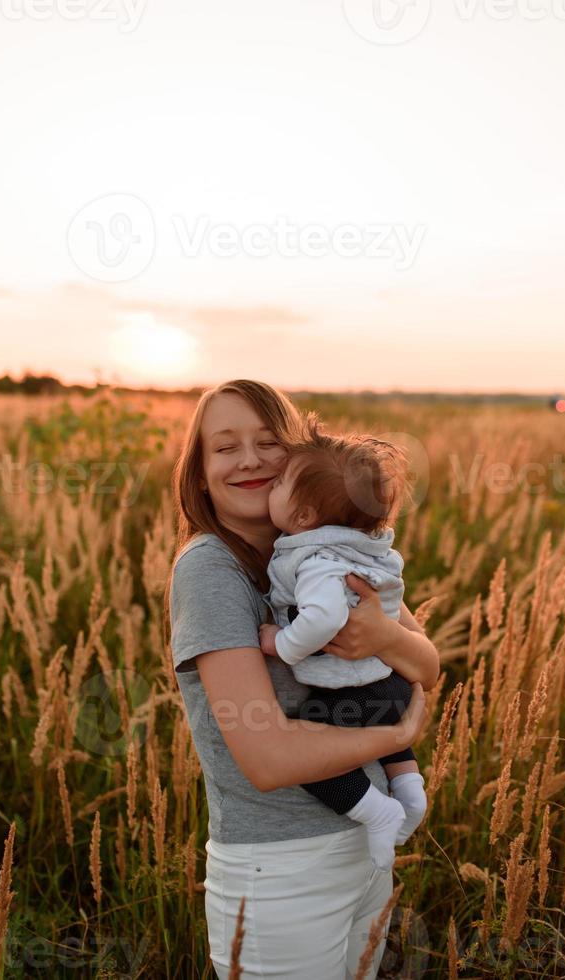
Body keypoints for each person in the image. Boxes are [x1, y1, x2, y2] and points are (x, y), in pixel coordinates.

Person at [164, 379, 440, 980]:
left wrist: (385, 637)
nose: (250, 460)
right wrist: (400, 737)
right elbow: (267, 759)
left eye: (268, 442)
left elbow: (427, 666)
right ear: (200, 471)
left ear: (299, 457)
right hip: (280, 868)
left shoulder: (327, 547)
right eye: (225, 447)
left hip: (364, 852)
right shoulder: (212, 568)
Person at [258, 416, 427, 872]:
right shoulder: (363, 547)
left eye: (277, 485)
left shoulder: (315, 558)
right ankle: (410, 791)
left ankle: (379, 810)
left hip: (352, 694)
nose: (268, 487)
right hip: (391, 685)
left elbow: (327, 616)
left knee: (309, 756)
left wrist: (283, 644)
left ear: (303, 517)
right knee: (386, 737)